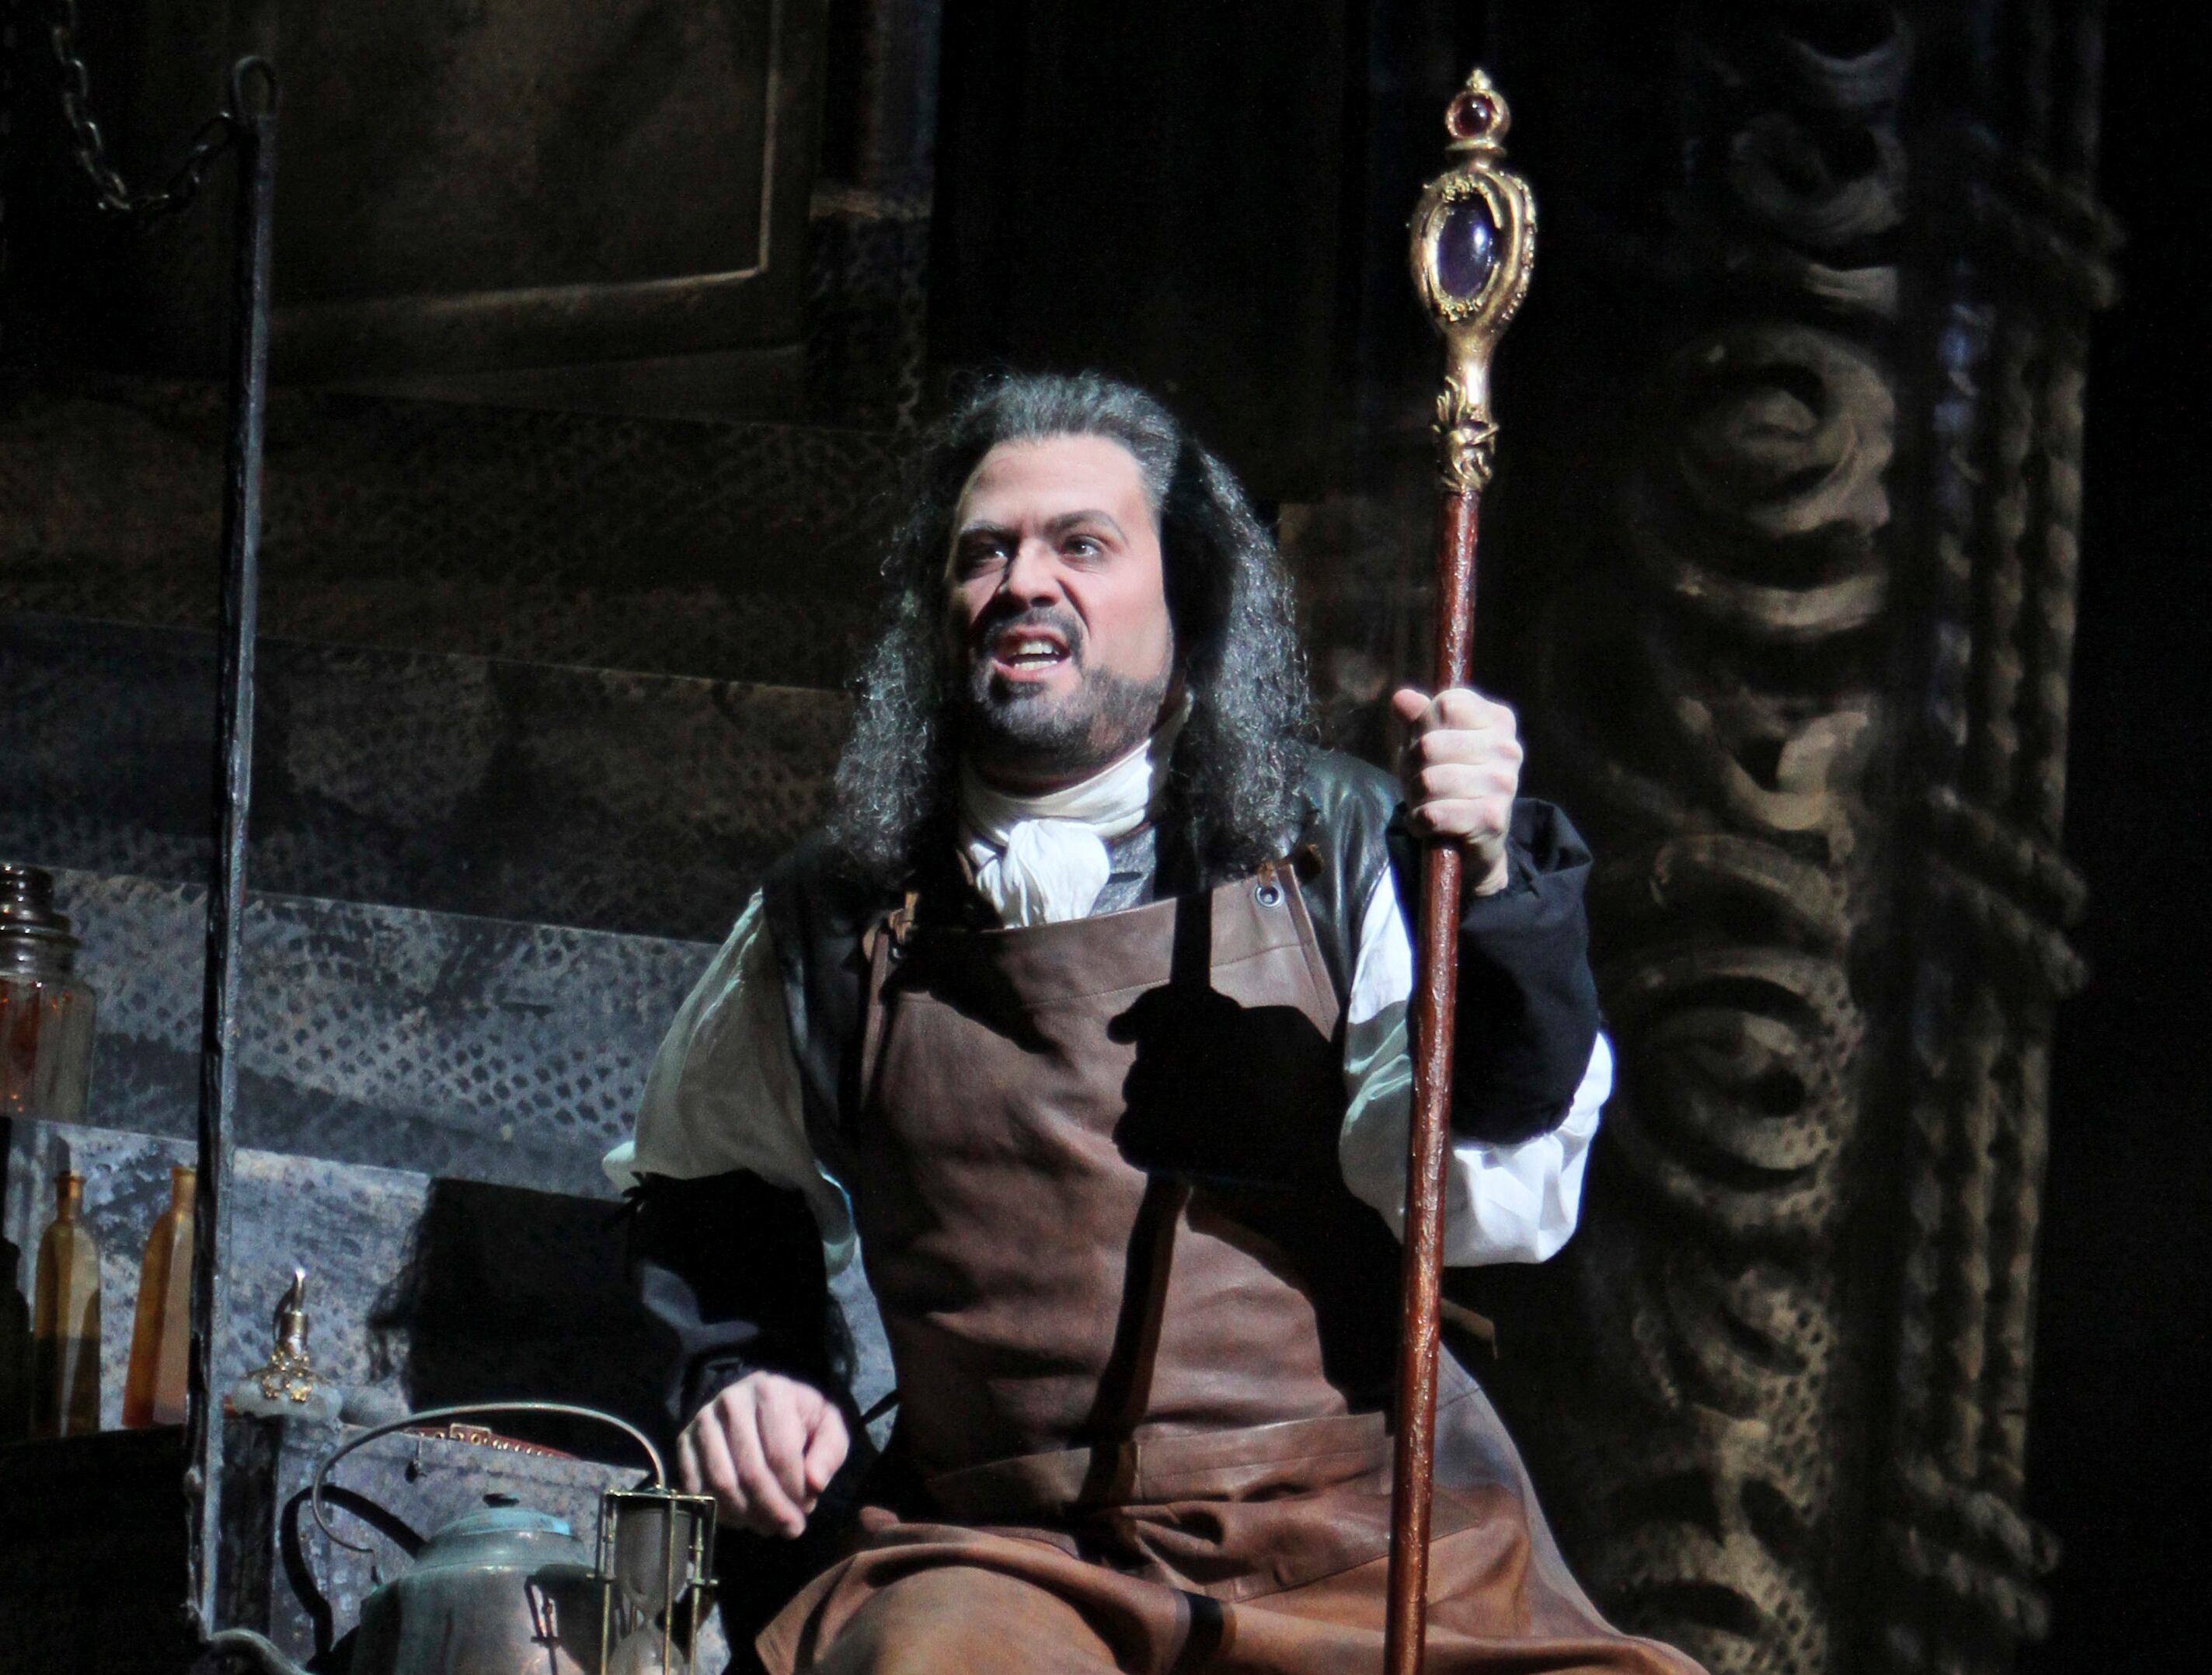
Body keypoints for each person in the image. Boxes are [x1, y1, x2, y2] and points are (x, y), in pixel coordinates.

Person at [605, 372, 1699, 1675]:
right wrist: (749, 1373)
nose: (1024, 581)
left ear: (1188, 599)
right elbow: (711, 1190)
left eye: (1082, 545)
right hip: (1001, 1557)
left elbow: (1482, 1189)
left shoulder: (1344, 847)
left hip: (1358, 1542)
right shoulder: (834, 916)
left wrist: (1496, 895)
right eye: (985, 553)